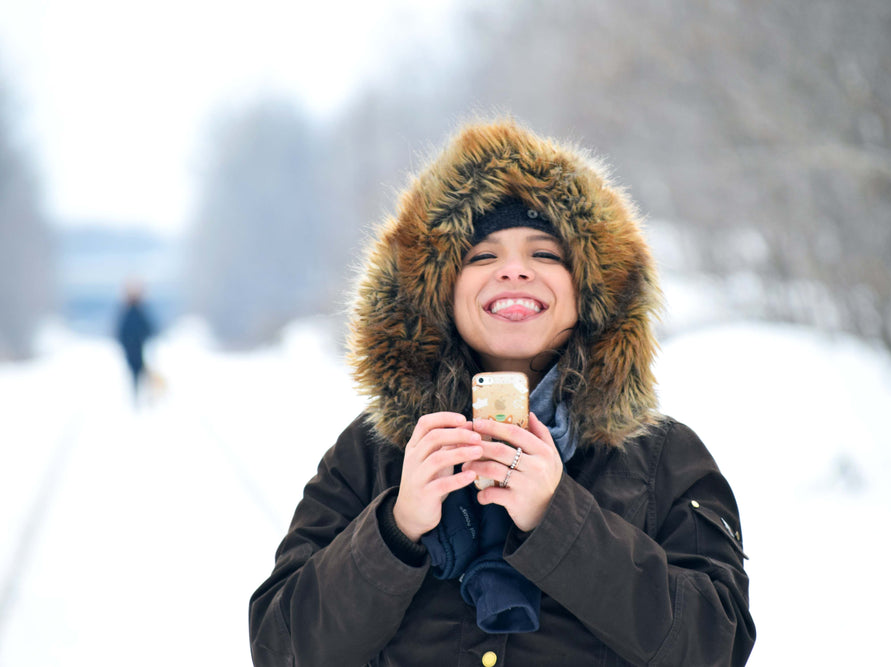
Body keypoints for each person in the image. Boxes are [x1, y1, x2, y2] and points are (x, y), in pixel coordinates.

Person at [249, 120, 755, 666]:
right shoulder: (372, 453)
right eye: (482, 257)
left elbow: (717, 647)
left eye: (545, 254)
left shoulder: (663, 458)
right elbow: (280, 649)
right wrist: (396, 528)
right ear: (438, 293)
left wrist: (559, 521)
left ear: (591, 291)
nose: (514, 271)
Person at [115, 281, 155, 403]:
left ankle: (141, 396)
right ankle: (138, 396)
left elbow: (148, 329)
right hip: (133, 348)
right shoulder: (131, 312)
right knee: (137, 372)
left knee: (138, 372)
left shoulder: (135, 312)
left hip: (137, 348)